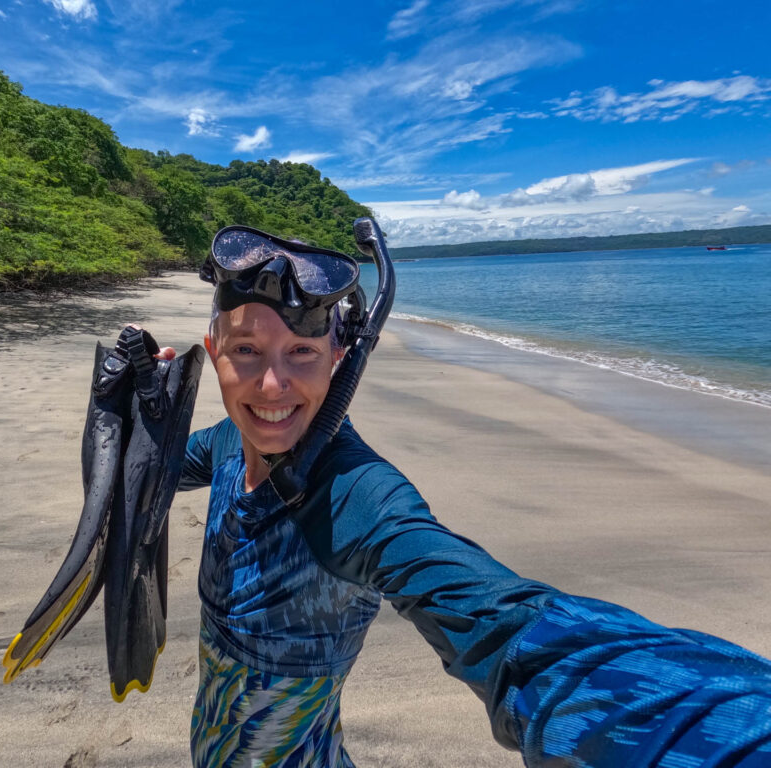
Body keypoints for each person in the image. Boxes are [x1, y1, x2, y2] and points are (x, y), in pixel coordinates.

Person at [167, 223, 771, 768]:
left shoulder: (354, 496)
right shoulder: (226, 442)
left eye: (302, 352)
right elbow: (158, 473)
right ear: (213, 348)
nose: (273, 384)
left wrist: (721, 731)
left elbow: (511, 630)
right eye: (247, 350)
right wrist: (138, 416)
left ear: (339, 359)